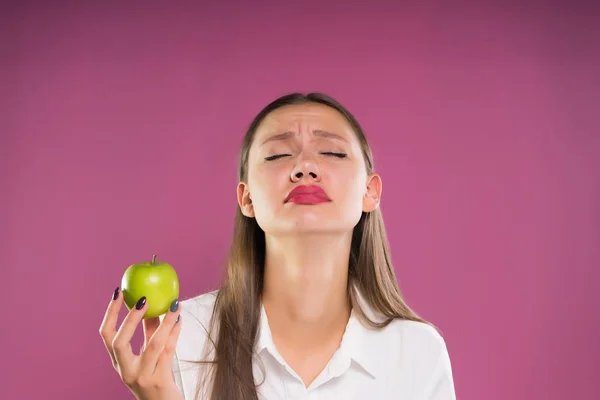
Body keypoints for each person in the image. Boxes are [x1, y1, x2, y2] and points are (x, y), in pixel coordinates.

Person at [100, 92, 457, 400]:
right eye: (277, 156)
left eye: (332, 152)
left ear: (370, 191)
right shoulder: (184, 336)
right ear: (247, 198)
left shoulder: (417, 351)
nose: (304, 166)